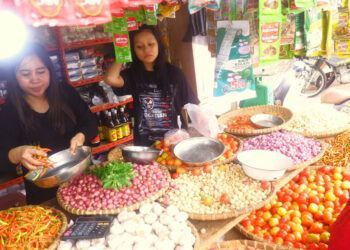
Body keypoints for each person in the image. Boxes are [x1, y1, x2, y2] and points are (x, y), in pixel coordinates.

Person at [0, 43, 98, 204]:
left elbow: (90, 122)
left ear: (50, 71)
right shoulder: (10, 112)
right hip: (45, 195)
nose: (35, 80)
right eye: (25, 74)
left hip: (84, 181)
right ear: (14, 76)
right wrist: (17, 153)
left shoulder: (65, 92)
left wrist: (81, 136)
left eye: (41, 71)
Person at [104, 25, 199, 146]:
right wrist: (123, 51)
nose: (146, 50)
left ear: (159, 44)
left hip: (176, 141)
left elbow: (193, 105)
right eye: (139, 47)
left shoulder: (175, 74)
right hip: (146, 144)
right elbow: (110, 78)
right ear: (133, 50)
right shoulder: (132, 75)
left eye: (151, 44)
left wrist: (202, 125)